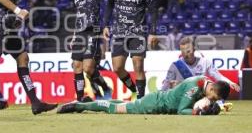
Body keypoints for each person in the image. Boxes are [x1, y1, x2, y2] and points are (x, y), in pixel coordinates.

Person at [103, 0, 158, 100]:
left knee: (138, 65)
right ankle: (134, 90)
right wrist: (106, 25)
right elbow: (109, 5)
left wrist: (152, 32)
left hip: (137, 32)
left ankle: (141, 99)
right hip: (119, 32)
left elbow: (153, 11)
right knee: (117, 68)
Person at [57, 76, 229, 115]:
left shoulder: (204, 82)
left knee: (120, 103)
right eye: (213, 98)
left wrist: (216, 106)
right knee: (114, 109)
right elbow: (181, 110)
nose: (211, 100)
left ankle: (90, 102)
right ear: (212, 89)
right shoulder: (194, 87)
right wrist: (198, 113)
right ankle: (79, 105)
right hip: (152, 105)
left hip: (155, 99)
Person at [70, 0, 112, 102]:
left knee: (88, 69)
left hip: (92, 31)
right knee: (76, 66)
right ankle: (80, 99)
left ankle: (105, 88)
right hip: (80, 33)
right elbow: (79, 16)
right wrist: (74, 35)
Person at [162, 37, 240, 92]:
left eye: (188, 51)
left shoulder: (204, 62)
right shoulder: (175, 65)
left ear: (194, 49)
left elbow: (218, 76)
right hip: (181, 97)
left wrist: (230, 83)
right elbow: (165, 87)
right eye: (183, 51)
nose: (185, 54)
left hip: (200, 96)